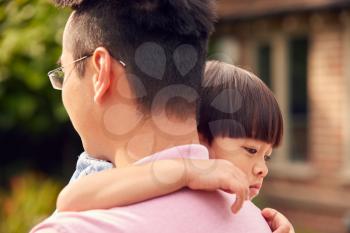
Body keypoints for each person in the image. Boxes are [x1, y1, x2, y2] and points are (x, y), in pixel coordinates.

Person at [30, 0, 291, 232]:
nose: (261, 168)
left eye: (65, 71)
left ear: (101, 71)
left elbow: (67, 200)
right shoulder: (256, 223)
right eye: (250, 150)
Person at [53, 61, 294, 233]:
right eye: (251, 150)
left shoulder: (233, 205)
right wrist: (185, 171)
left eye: (267, 157)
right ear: (199, 138)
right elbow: (70, 199)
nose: (263, 169)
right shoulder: (149, 173)